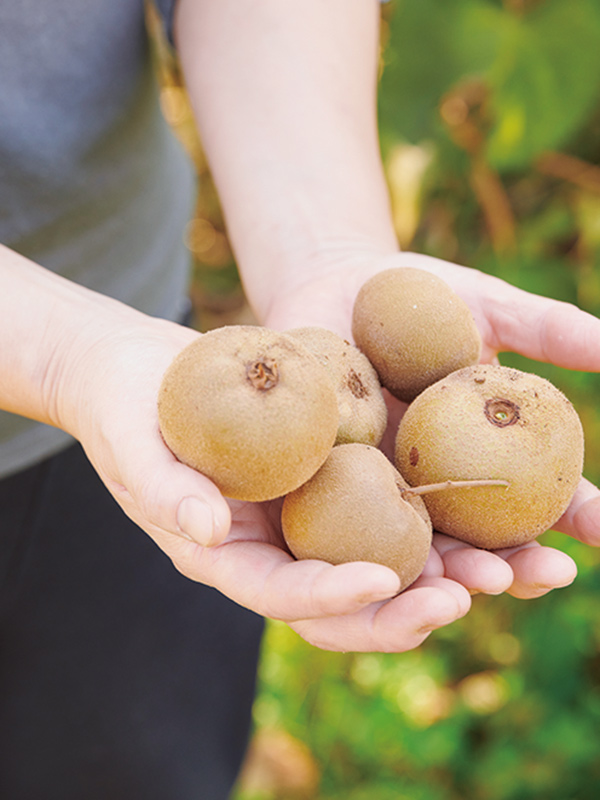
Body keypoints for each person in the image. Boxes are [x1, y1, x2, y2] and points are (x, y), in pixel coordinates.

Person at [1, 1, 599, 798]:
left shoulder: (234, 411)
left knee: (137, 758)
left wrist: (326, 249)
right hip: (101, 359)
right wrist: (57, 350)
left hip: (121, 360)